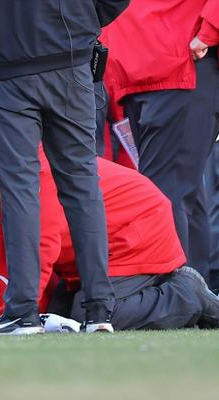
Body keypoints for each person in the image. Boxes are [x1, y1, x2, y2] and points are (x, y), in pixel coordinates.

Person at [0, 0, 130, 335]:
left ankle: (22, 312)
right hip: (70, 62)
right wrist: (82, 20)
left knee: (20, 188)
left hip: (11, 70)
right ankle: (99, 311)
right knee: (82, 185)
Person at [0, 132, 219, 332]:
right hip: (105, 243)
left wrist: (13, 315)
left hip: (136, 233)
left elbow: (41, 249)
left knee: (92, 316)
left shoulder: (36, 179)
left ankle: (186, 294)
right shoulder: (10, 167)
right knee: (63, 317)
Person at [102, 0, 219, 281]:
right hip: (140, 74)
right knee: (180, 195)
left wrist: (210, 30)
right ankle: (190, 292)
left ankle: (173, 292)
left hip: (179, 67)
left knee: (164, 196)